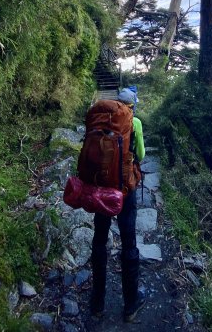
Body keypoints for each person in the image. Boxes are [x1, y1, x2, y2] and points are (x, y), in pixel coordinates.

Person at [90, 87, 146, 322]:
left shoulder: (101, 118)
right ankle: (130, 306)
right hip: (124, 190)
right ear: (132, 105)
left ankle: (97, 304)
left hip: (101, 188)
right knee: (128, 243)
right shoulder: (136, 122)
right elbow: (141, 155)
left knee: (100, 240)